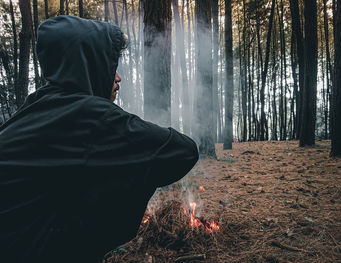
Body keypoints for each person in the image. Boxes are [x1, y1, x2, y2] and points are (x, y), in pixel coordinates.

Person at [0, 16, 198, 263]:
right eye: (109, 65)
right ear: (89, 64)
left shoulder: (37, 105)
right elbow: (183, 151)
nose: (118, 78)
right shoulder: (89, 116)